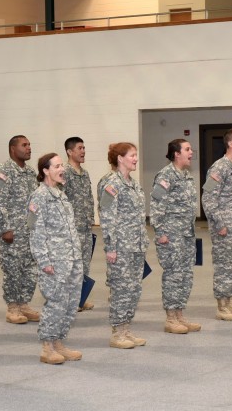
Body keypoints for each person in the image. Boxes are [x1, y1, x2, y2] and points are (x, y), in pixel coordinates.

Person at [28, 153, 84, 364]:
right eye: (58, 166)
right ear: (45, 170)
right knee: (56, 303)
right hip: (55, 261)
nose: (63, 169)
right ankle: (47, 347)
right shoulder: (39, 197)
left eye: (62, 165)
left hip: (71, 259)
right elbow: (36, 232)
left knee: (70, 303)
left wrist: (77, 257)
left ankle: (59, 342)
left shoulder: (60, 195)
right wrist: (44, 262)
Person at [97, 142, 149, 349]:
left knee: (133, 289)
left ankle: (126, 329)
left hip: (135, 245)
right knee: (120, 289)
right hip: (120, 246)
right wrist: (111, 247)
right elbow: (107, 217)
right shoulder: (111, 183)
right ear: (120, 158)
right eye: (132, 155)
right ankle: (117, 332)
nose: (136, 159)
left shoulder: (132, 183)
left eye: (136, 155)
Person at [200, 128, 232, 321]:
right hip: (225, 228)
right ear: (230, 143)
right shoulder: (219, 168)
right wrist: (219, 223)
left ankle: (231, 303)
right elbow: (208, 198)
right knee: (224, 266)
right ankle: (222, 307)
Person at [150, 139, 202, 334]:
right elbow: (156, 206)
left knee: (185, 275)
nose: (191, 152)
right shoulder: (165, 176)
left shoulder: (186, 176)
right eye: (187, 149)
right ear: (176, 154)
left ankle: (180, 314)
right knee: (173, 276)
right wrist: (161, 233)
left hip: (186, 234)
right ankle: (170, 318)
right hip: (171, 236)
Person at [0, 135, 40, 324]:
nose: (28, 148)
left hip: (29, 231)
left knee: (30, 270)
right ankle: (12, 307)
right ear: (13, 149)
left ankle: (24, 304)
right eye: (24, 145)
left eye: (29, 144)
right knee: (13, 270)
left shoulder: (29, 172)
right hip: (12, 232)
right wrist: (5, 228)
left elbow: (34, 203)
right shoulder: (3, 171)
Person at [63, 137, 96, 311]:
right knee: (72, 265)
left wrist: (91, 219)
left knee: (84, 263)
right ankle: (70, 300)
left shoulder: (85, 173)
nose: (83, 151)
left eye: (84, 148)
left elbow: (89, 198)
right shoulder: (65, 172)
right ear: (70, 151)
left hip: (85, 226)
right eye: (80, 148)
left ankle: (79, 298)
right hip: (71, 228)